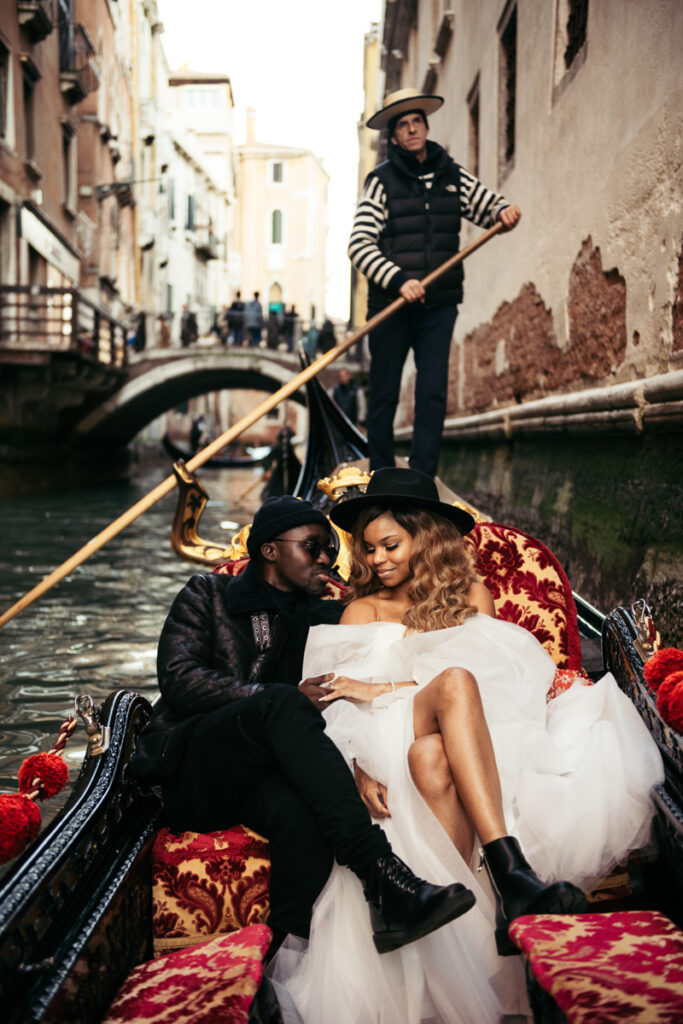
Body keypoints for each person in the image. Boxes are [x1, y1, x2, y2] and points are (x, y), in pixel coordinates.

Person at [270, 468, 663, 1023]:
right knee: (447, 689)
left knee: (432, 747)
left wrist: (380, 686)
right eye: (370, 549)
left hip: (472, 739)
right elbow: (335, 708)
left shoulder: (473, 596)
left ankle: (453, 935)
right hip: (381, 738)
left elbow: (498, 686)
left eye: (391, 545)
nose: (377, 560)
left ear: (426, 539)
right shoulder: (362, 610)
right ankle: (512, 878)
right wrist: (356, 769)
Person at [130, 495, 478, 961]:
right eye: (313, 548)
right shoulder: (207, 594)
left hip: (265, 778)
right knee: (281, 702)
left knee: (305, 814)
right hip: (194, 766)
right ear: (270, 550)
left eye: (331, 552)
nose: (325, 560)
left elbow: (363, 685)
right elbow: (180, 681)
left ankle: (282, 958)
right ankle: (382, 877)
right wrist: (282, 697)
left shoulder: (326, 618)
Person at [348, 88, 522, 479]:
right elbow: (358, 245)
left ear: (425, 127)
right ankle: (381, 475)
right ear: (393, 137)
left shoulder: (450, 174)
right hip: (391, 306)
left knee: (432, 393)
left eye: (416, 122)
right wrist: (399, 281)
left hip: (439, 304)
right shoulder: (381, 182)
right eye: (403, 126)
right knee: (384, 394)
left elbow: (486, 205)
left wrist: (503, 211)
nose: (411, 130)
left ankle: (423, 479)